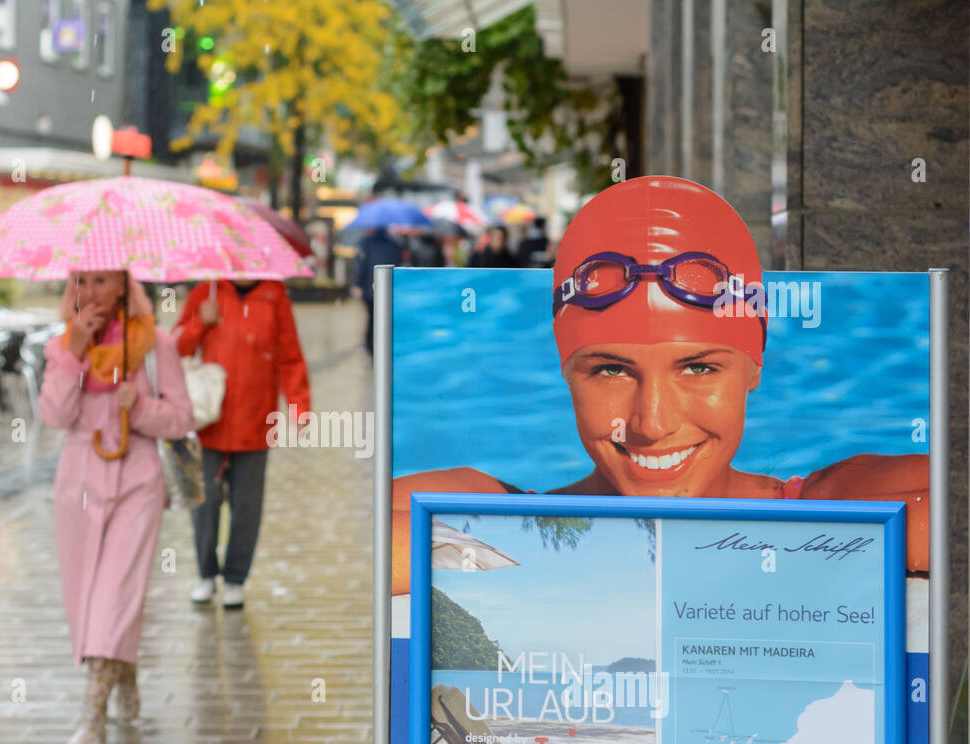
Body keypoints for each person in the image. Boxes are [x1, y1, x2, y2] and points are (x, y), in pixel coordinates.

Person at [391, 175, 929, 594]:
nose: (652, 423)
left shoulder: (829, 500)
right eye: (611, 370)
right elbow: (347, 545)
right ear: (566, 372)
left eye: (698, 368)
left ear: (755, 366)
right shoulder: (494, 510)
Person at [39, 270, 194, 744]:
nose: (89, 292)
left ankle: (90, 717)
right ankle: (122, 673)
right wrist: (74, 355)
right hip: (80, 484)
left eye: (102, 281)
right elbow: (54, 416)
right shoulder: (61, 346)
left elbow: (183, 417)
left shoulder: (156, 344)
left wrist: (142, 406)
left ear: (125, 286)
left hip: (138, 482)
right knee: (87, 595)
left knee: (114, 593)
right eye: (81, 281)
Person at [174, 278, 311, 609]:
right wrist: (198, 323)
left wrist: (299, 407)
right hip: (207, 420)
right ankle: (205, 573)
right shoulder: (204, 293)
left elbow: (289, 355)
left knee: (247, 506)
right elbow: (175, 349)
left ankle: (235, 578)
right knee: (202, 502)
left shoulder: (274, 297)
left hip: (256, 419)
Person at [352, 227, 403, 354]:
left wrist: (357, 284)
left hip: (370, 288)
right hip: (389, 288)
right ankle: (385, 346)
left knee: (371, 319)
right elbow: (399, 263)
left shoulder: (366, 243)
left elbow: (361, 265)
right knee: (387, 319)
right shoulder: (394, 244)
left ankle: (370, 346)